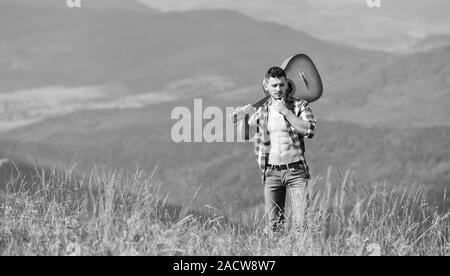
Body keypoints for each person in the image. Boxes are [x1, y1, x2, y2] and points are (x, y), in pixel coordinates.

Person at [248, 66, 316, 233]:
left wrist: (286, 112)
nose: (278, 89)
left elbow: (309, 130)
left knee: (302, 225)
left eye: (281, 85)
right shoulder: (261, 110)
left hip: (296, 172)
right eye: (274, 85)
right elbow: (251, 136)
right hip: (271, 173)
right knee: (274, 227)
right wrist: (243, 120)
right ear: (266, 86)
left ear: (287, 85)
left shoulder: (300, 105)